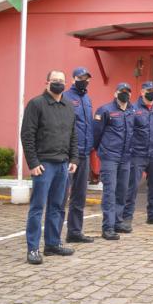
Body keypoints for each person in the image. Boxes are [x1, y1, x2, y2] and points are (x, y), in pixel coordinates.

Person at [21, 70, 79, 264]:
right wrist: (33, 163)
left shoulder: (68, 106)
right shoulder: (36, 104)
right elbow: (27, 135)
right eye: (55, 80)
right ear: (47, 82)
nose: (58, 83)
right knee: (37, 207)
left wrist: (74, 159)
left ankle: (53, 244)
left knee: (57, 206)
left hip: (63, 164)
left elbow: (73, 135)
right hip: (44, 165)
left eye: (61, 81)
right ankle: (33, 249)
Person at [122, 81, 153, 227]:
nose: (152, 92)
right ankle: (127, 216)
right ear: (142, 92)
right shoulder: (133, 108)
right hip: (137, 154)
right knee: (132, 186)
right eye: (149, 90)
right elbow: (128, 130)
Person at [93, 83, 136, 240]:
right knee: (110, 192)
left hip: (125, 157)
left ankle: (118, 222)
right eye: (122, 91)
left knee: (122, 191)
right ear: (115, 93)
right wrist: (101, 150)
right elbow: (96, 133)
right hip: (110, 157)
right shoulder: (105, 110)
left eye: (127, 92)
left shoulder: (132, 111)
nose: (125, 94)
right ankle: (108, 227)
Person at [61, 66, 94, 243]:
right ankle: (54, 237)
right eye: (81, 77)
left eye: (87, 78)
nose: (85, 80)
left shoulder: (87, 98)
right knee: (61, 195)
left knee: (79, 195)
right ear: (73, 79)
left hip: (85, 154)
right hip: (69, 154)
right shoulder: (66, 98)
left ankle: (74, 232)